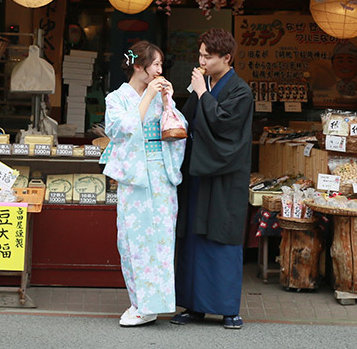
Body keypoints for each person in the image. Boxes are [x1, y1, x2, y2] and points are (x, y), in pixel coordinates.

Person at [172, 28, 254, 330]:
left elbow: (224, 127)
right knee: (193, 238)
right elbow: (187, 121)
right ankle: (193, 306)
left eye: (208, 55)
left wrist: (204, 94)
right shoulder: (203, 84)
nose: (201, 60)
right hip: (197, 174)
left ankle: (228, 308)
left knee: (222, 238)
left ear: (226, 58)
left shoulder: (241, 91)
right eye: (201, 54)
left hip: (224, 177)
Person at [102, 41, 187, 327]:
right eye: (156, 65)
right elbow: (121, 130)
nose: (160, 71)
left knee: (161, 239)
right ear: (139, 66)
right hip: (134, 176)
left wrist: (166, 101)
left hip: (161, 173)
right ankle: (139, 303)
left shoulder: (160, 93)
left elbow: (177, 128)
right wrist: (148, 97)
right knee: (132, 240)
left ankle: (158, 303)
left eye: (161, 65)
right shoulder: (116, 98)